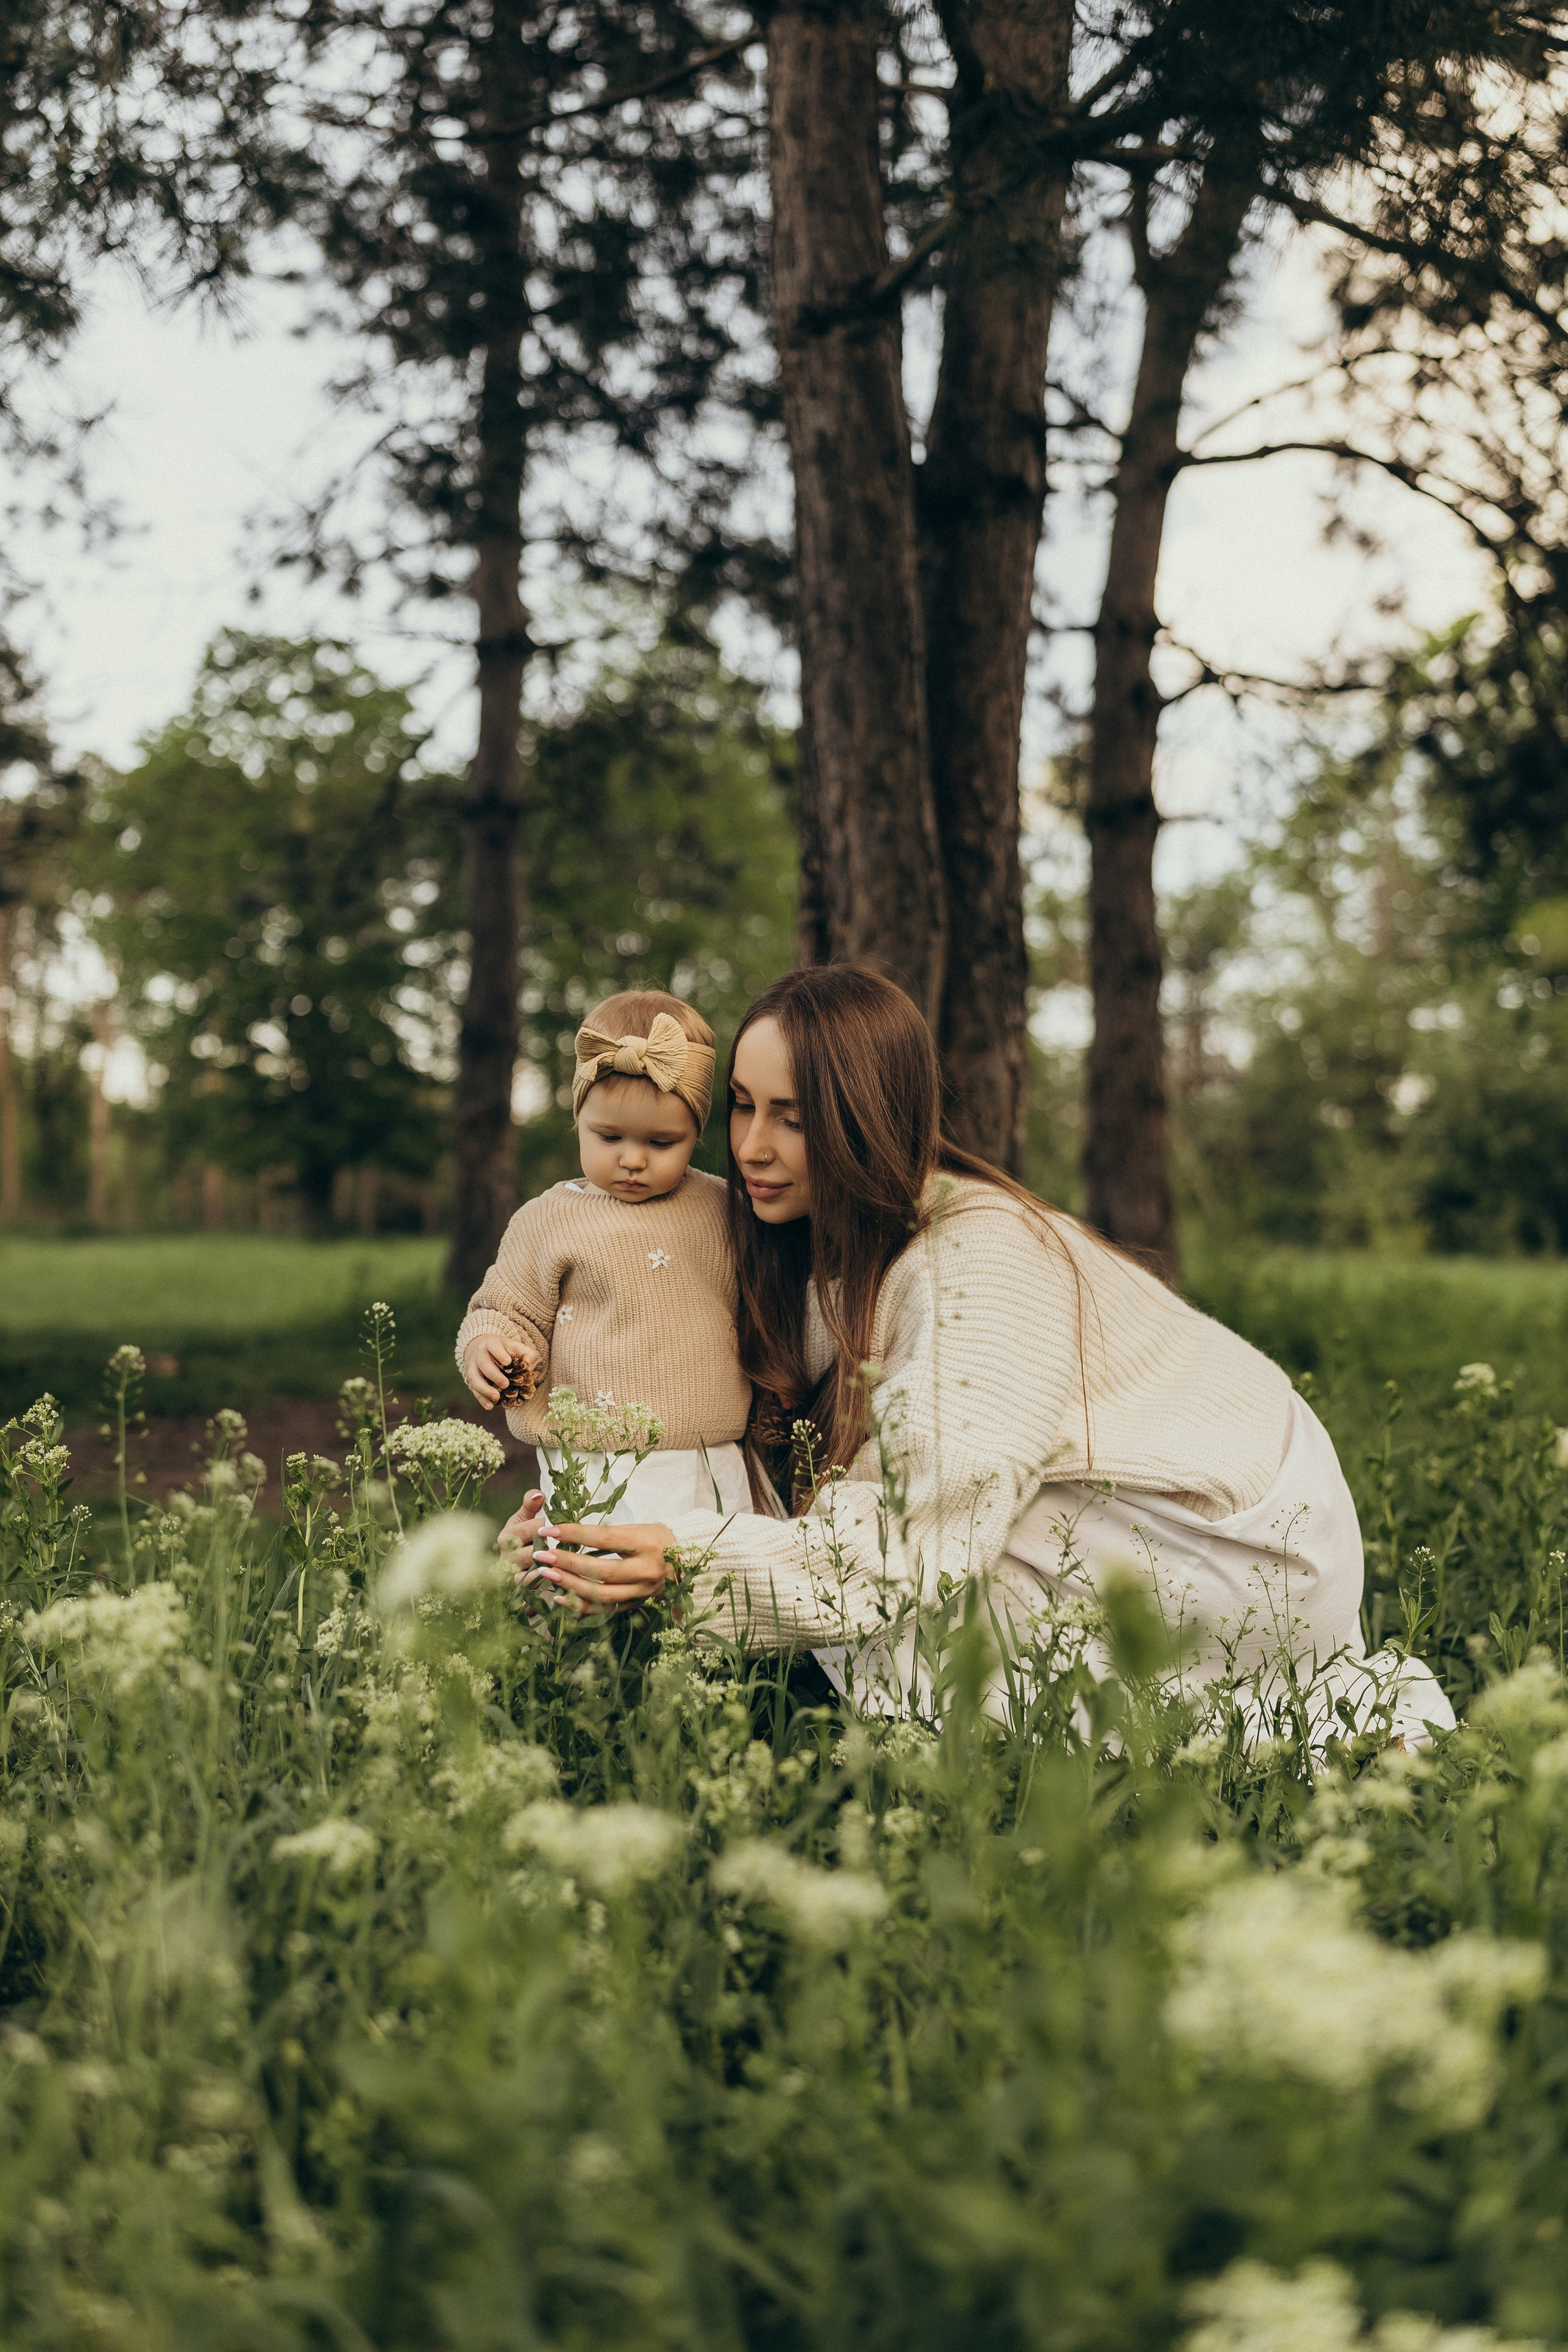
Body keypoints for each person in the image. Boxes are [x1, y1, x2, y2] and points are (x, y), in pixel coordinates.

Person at [507, 967, 1453, 1742]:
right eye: (744, 1108)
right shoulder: (821, 1251)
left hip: (1242, 1546)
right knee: (856, 1593)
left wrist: (686, 1564)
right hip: (1108, 1518)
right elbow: (764, 1455)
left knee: (902, 1634)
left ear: (864, 1114)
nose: (752, 1147)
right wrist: (600, 1518)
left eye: (793, 1117)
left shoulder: (976, 1260)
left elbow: (913, 1538)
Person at [458, 989, 752, 1521]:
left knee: (703, 1587)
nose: (633, 1160)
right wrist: (489, 1346)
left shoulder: (724, 1210)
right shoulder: (547, 1218)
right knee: (587, 1584)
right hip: (588, 1459)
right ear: (579, 1118)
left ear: (696, 1134)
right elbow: (507, 1309)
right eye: (609, 1136)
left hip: (706, 1457)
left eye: (662, 1143)